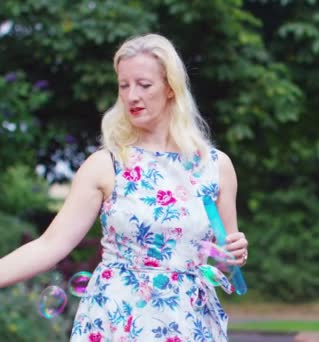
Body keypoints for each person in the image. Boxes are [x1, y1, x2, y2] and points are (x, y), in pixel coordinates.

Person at [0, 33, 249, 341]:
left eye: (144, 85)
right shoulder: (107, 164)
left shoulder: (215, 167)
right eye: (124, 85)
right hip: (117, 318)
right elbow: (51, 245)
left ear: (171, 88)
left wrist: (233, 257)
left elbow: (225, 261)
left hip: (188, 320)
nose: (132, 96)